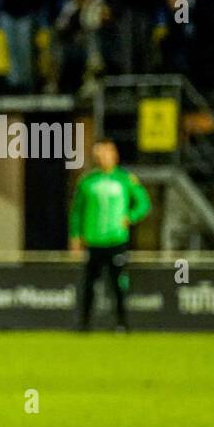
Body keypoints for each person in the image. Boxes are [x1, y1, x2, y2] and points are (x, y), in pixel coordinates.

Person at [70, 139, 151, 331]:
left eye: (105, 153)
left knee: (118, 284)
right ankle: (84, 324)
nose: (101, 157)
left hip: (116, 239)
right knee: (89, 284)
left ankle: (122, 324)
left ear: (114, 155)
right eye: (98, 154)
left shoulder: (125, 179)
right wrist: (75, 235)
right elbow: (76, 211)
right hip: (94, 240)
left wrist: (130, 216)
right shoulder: (87, 181)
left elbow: (143, 203)